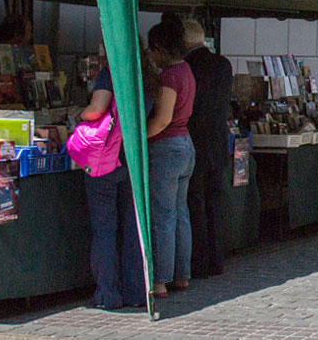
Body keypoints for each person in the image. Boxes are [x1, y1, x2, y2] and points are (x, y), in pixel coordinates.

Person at [74, 44, 144, 310]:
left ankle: (108, 294)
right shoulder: (145, 74)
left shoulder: (109, 73)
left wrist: (80, 115)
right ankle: (136, 292)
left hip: (104, 159)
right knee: (131, 228)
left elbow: (96, 110)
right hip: (132, 156)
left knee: (104, 228)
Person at [143, 21, 197, 298]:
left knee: (163, 216)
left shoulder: (169, 76)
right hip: (185, 145)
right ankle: (182, 276)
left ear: (162, 48)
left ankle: (160, 280)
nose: (151, 55)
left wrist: (140, 140)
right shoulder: (186, 70)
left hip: (166, 148)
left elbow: (162, 118)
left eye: (152, 50)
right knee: (180, 213)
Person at [178, 18, 232, 278]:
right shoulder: (223, 64)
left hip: (196, 140)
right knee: (214, 201)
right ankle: (217, 258)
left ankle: (199, 260)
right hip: (218, 141)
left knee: (195, 202)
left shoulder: (187, 67)